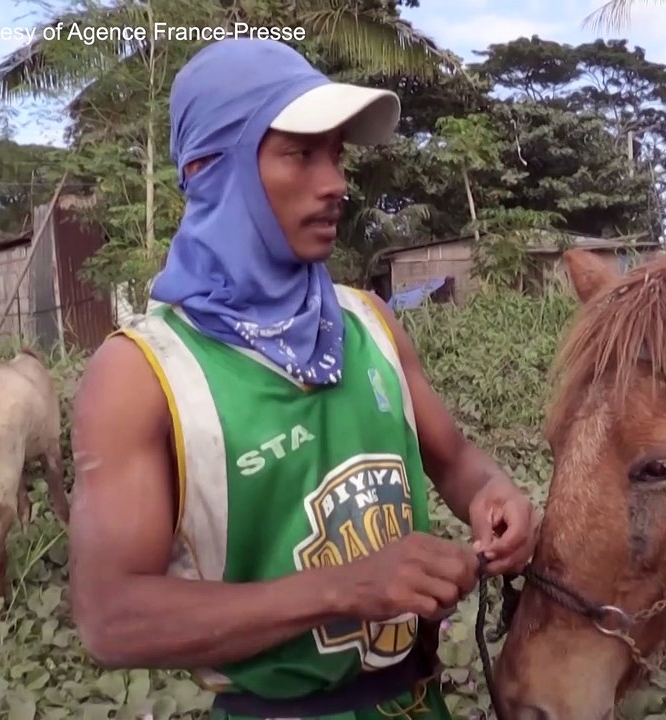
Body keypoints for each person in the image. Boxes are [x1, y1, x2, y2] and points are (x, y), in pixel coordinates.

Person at [67, 37, 537, 720]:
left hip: (416, 700)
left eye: (338, 154)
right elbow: (111, 618)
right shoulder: (143, 376)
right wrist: (344, 589)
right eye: (300, 153)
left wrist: (496, 496)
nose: (335, 182)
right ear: (210, 170)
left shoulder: (370, 322)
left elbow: (456, 459)